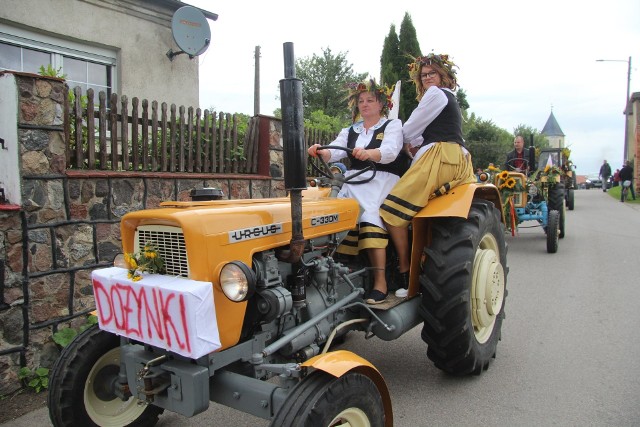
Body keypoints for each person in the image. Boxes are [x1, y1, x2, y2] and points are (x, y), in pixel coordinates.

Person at [379, 53, 476, 301]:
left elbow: (409, 129)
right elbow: (424, 133)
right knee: (419, 214)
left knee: (390, 211)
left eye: (432, 73)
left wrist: (392, 140)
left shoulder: (435, 94)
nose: (427, 78)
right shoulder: (450, 99)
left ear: (443, 76)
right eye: (423, 76)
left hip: (439, 158)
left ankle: (404, 273)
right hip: (460, 161)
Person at [308, 79, 403, 305]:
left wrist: (370, 154)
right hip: (355, 179)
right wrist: (320, 151)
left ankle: (381, 281)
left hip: (382, 179)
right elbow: (334, 150)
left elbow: (390, 151)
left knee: (370, 214)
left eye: (370, 100)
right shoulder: (350, 130)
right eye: (361, 101)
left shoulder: (392, 125)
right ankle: (337, 271)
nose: (364, 104)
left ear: (381, 104)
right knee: (333, 213)